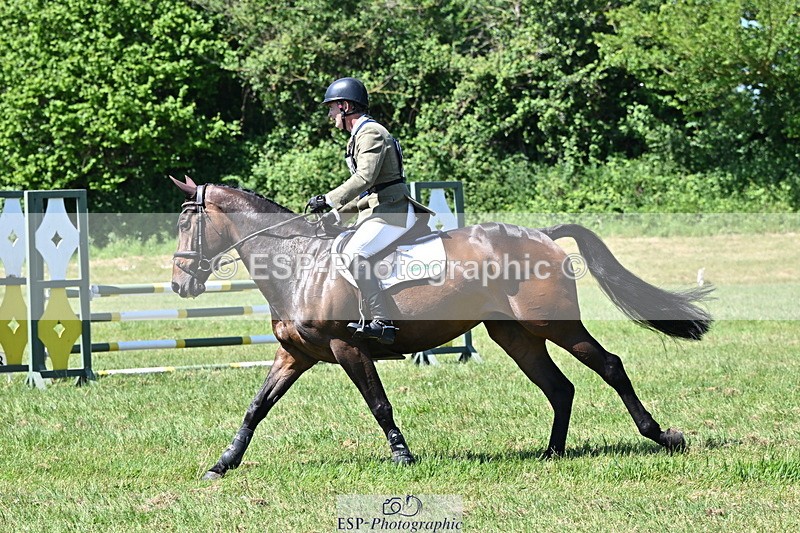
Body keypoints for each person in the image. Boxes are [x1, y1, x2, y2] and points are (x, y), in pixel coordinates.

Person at [306, 77, 432, 345]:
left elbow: (364, 178)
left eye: (331, 109)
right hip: (378, 210)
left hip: (392, 211)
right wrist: (336, 215)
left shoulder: (371, 133)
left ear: (344, 106)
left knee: (355, 253)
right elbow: (367, 193)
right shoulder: (358, 136)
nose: (330, 116)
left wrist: (328, 199)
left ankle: (382, 321)